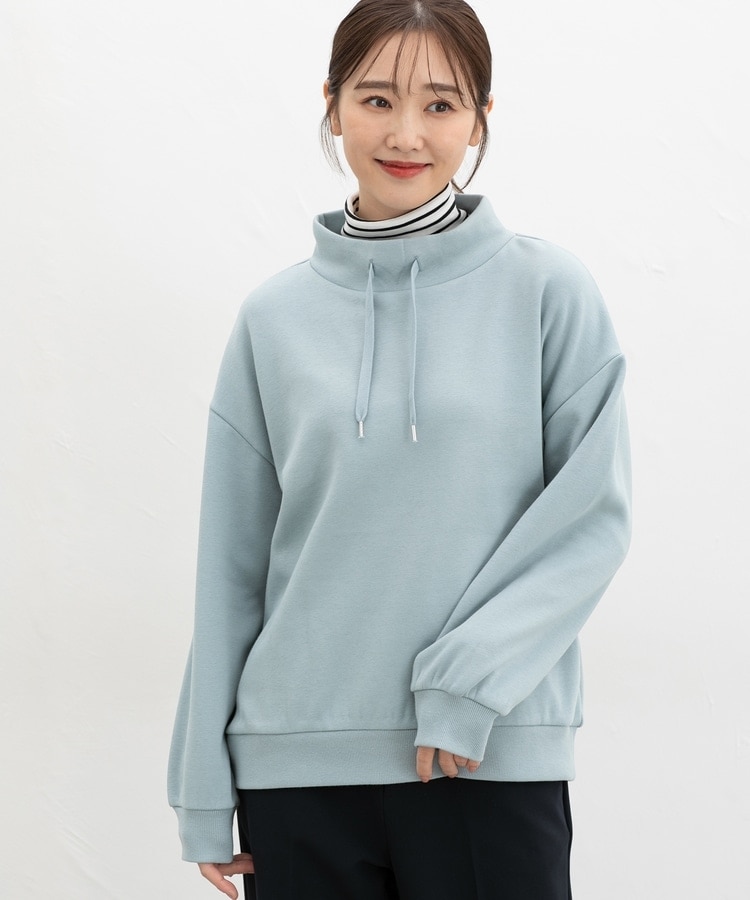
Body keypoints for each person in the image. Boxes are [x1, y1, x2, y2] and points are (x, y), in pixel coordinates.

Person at [168, 1, 632, 897]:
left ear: (481, 118)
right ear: (333, 105)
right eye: (377, 99)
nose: (406, 133)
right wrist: (201, 787)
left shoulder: (547, 292)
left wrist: (467, 686)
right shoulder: (273, 318)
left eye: (441, 104)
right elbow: (231, 568)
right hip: (295, 770)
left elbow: (591, 521)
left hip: (484, 755)